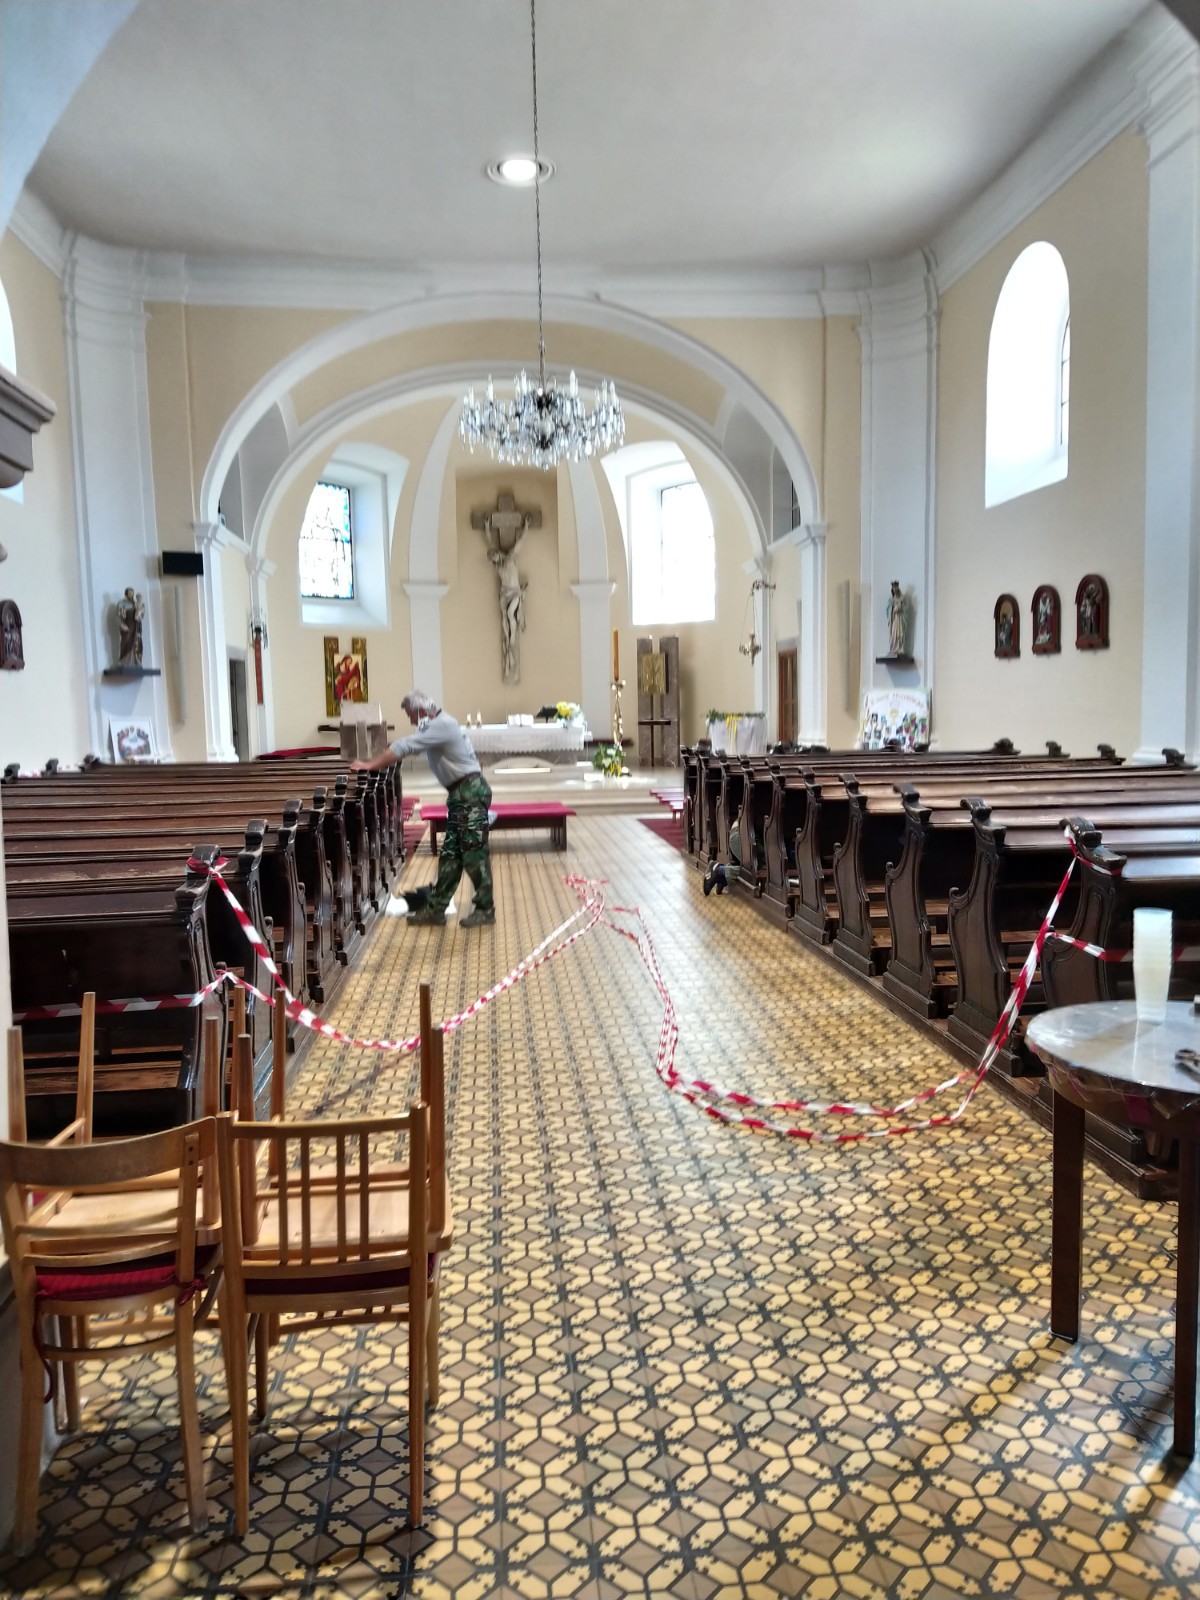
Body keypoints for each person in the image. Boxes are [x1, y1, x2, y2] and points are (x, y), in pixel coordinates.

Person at [351, 690, 495, 928]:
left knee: (474, 854)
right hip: (461, 794)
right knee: (451, 856)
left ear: (421, 711)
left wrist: (369, 765)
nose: (411, 720)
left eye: (411, 715)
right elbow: (408, 745)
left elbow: (405, 746)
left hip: (470, 793)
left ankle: (485, 909)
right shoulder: (437, 726)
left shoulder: (442, 725)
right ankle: (436, 909)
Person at [703, 822, 744, 896]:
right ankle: (718, 870)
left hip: (741, 831)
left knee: (749, 870)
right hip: (741, 835)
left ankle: (721, 878)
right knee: (750, 873)